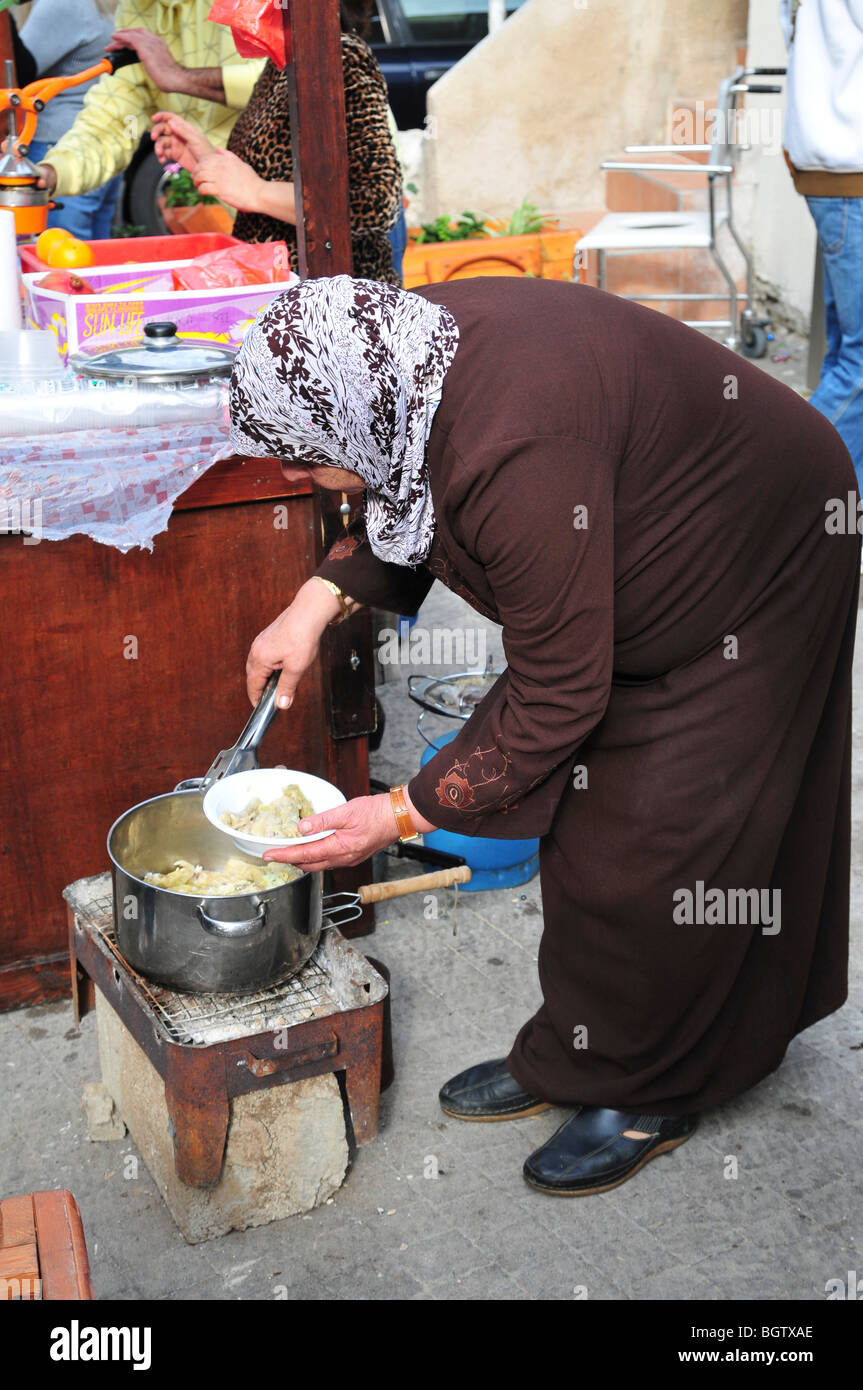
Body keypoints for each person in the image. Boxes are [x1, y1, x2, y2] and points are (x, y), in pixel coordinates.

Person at [227, 274, 859, 1197]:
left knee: (665, 841)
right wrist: (310, 605)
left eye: (300, 459)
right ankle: (580, 1055)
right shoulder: (410, 359)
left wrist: (399, 815)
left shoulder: (517, 452)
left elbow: (559, 691)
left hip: (759, 549)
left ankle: (657, 1087)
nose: (291, 478)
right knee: (588, 837)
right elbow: (408, 490)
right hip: (636, 527)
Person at [151, 1, 403, 284]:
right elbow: (268, 186)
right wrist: (206, 157)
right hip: (283, 297)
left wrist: (257, 191)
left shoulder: (339, 55)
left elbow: (376, 203)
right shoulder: (281, 63)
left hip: (336, 307)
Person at [34, 0, 264, 204]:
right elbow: (117, 123)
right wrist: (51, 174)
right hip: (226, 216)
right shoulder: (136, 7)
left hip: (288, 202)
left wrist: (180, 78)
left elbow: (290, 83)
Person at [781, 0, 863, 502]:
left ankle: (837, 516)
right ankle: (775, 491)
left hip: (831, 175)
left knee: (847, 355)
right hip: (851, 177)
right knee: (860, 363)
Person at [17, 0, 123, 239]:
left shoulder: (64, 4)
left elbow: (18, 69)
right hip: (101, 145)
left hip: (61, 150)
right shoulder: (96, 5)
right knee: (93, 264)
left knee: (58, 262)